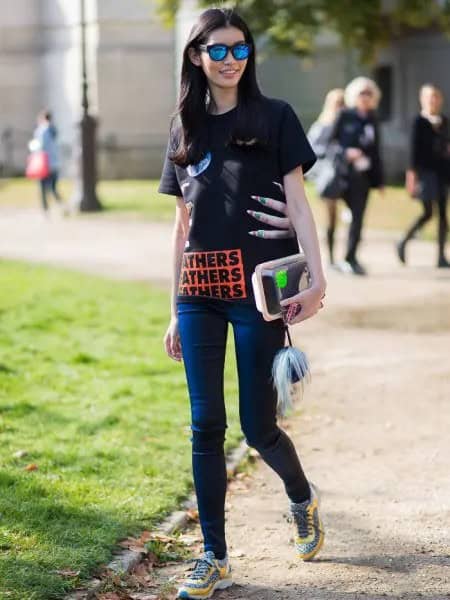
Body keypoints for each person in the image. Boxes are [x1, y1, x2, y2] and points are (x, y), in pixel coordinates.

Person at [158, 8, 327, 599]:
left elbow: (299, 204)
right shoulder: (183, 126)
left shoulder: (275, 117)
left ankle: (301, 497)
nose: (230, 60)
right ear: (196, 56)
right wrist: (173, 308)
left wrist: (318, 279)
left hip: (259, 294)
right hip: (198, 295)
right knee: (205, 424)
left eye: (240, 49)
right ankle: (214, 556)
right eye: (218, 50)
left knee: (258, 427)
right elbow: (182, 225)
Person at [329, 77, 384, 275]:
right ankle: (334, 258)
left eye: (369, 93)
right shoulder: (345, 115)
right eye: (362, 93)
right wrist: (347, 152)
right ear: (354, 95)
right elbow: (332, 143)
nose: (366, 97)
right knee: (343, 216)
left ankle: (351, 257)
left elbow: (376, 151)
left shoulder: (372, 118)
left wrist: (380, 181)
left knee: (358, 218)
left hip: (364, 177)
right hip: (344, 175)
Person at [397, 84, 450, 268]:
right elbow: (413, 152)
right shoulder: (418, 121)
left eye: (436, 97)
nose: (433, 100)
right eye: (430, 97)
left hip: (443, 173)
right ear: (423, 99)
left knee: (443, 215)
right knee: (428, 213)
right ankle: (403, 240)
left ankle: (441, 256)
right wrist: (411, 177)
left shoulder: (445, 121)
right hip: (425, 174)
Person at [307, 88, 345, 265]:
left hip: (346, 176)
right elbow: (312, 149)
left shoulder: (347, 126)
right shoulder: (322, 125)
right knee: (331, 217)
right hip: (328, 176)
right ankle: (330, 256)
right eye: (337, 104)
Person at [30, 110, 64, 214]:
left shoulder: (41, 131)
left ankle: (45, 210)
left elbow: (39, 147)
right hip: (55, 163)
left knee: (43, 188)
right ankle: (62, 206)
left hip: (44, 164)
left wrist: (32, 148)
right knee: (53, 188)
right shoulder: (54, 129)